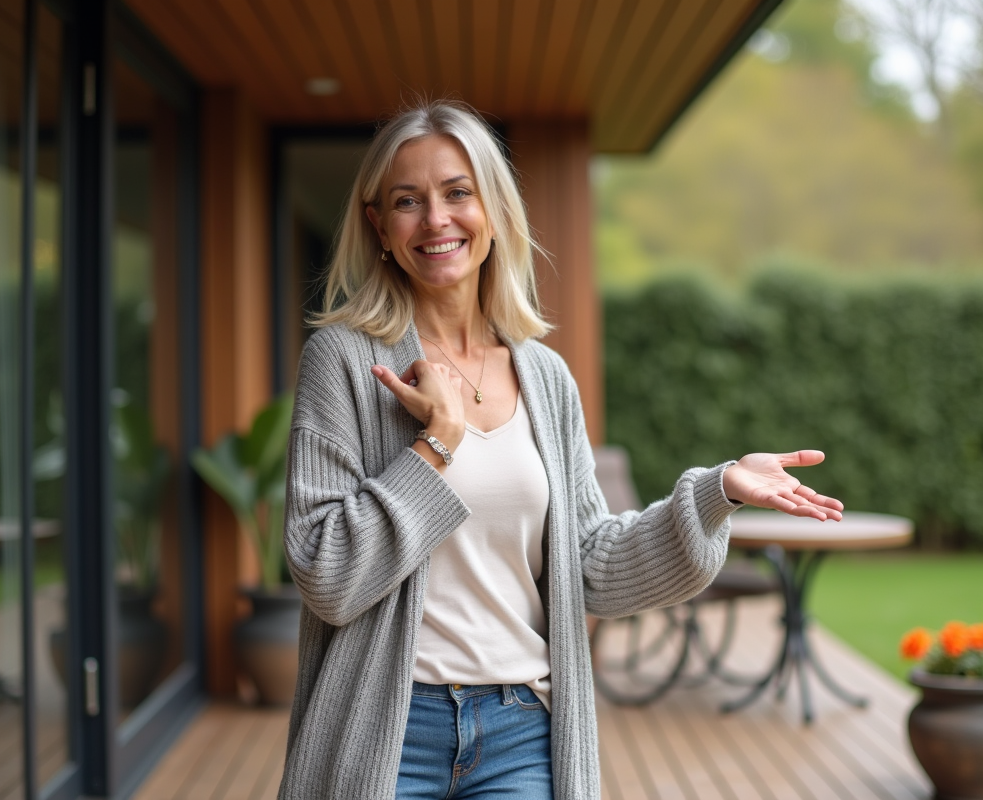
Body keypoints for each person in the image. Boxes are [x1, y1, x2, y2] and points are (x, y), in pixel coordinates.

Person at [277, 99, 843, 800]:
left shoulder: (544, 376)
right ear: (379, 226)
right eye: (407, 201)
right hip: (387, 734)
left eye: (458, 193)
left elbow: (593, 565)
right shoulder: (342, 360)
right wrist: (435, 446)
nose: (436, 220)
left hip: (522, 734)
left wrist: (716, 490)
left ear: (494, 211)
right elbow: (327, 576)